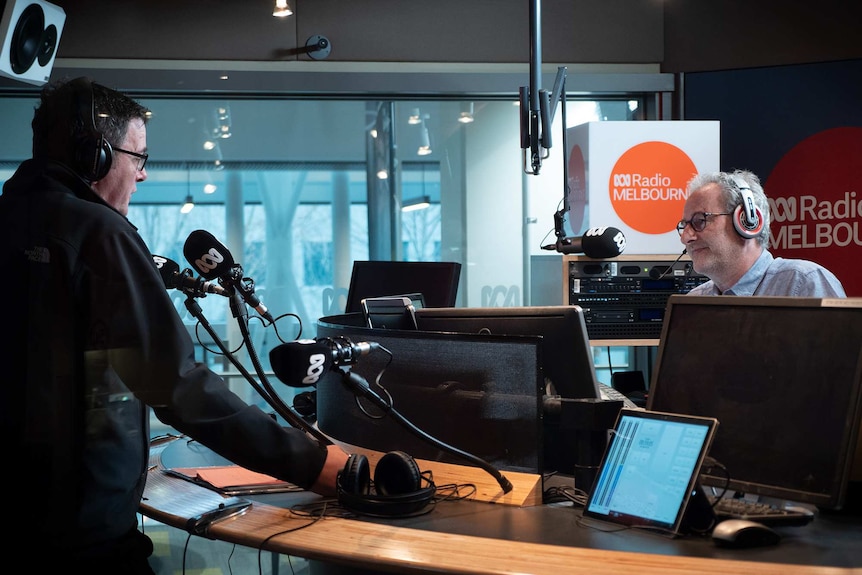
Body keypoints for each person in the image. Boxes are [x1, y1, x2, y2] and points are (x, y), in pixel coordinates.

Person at [0, 77, 350, 573]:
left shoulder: (11, 217)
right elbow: (177, 385)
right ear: (94, 155)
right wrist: (316, 464)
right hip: (85, 541)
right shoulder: (99, 233)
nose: (142, 175)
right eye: (137, 157)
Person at [677, 169, 846, 297]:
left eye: (699, 221)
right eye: (683, 226)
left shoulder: (804, 282)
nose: (686, 237)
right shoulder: (695, 300)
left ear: (747, 221)